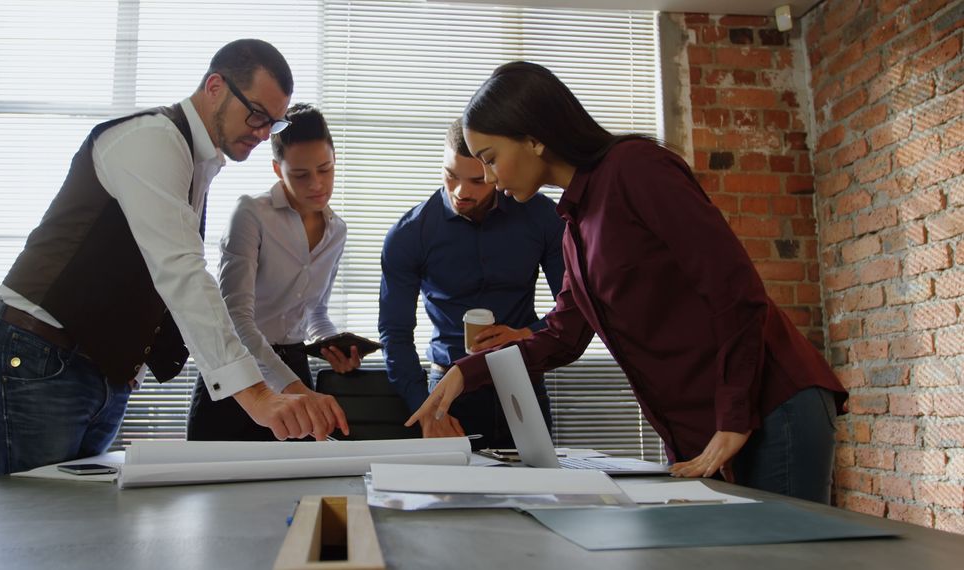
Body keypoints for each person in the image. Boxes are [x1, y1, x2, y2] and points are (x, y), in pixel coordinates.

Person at [408, 62, 848, 503]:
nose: (488, 178)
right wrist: (467, 372)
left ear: (534, 139)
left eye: (489, 159)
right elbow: (562, 337)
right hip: (713, 421)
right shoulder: (575, 227)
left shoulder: (635, 169)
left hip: (772, 403)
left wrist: (734, 415)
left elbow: (734, 289)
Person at [0, 40, 347, 476]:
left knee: (77, 526)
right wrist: (259, 395)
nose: (265, 133)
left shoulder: (198, 161)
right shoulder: (153, 141)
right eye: (257, 115)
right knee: (38, 524)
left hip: (103, 373)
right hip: (42, 354)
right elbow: (183, 274)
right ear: (214, 87)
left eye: (274, 121)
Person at [379, 118, 565, 449]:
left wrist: (528, 333)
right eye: (451, 175)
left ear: (494, 172)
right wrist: (424, 406)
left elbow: (573, 305)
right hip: (449, 390)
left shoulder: (540, 217)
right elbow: (395, 333)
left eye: (477, 180)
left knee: (539, 492)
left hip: (522, 381)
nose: (461, 191)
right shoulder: (409, 234)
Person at [188, 103, 361, 441]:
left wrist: (331, 343)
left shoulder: (337, 230)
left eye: (325, 169)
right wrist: (292, 387)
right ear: (277, 169)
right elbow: (236, 318)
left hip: (293, 363)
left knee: (295, 486)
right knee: (211, 484)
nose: (317, 184)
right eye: (300, 174)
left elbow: (315, 312)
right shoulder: (251, 214)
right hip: (239, 368)